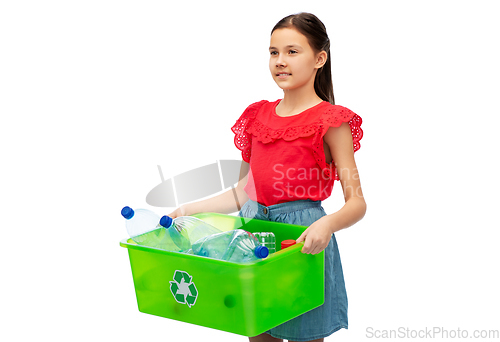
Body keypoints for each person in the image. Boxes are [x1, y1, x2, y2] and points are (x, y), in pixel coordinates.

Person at [169, 12, 366, 342]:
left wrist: (327, 224)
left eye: (292, 51)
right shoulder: (257, 116)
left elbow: (357, 202)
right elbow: (244, 192)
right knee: (256, 331)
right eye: (274, 52)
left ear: (320, 58)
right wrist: (191, 209)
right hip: (252, 236)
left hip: (301, 242)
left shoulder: (332, 121)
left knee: (305, 332)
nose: (280, 61)